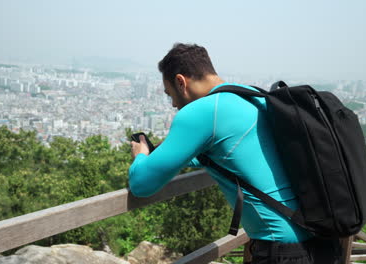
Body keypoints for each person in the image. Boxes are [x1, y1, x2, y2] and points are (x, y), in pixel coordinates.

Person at [128, 43, 341, 264]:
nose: (173, 103)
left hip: (283, 250)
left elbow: (142, 185)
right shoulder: (253, 95)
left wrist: (141, 155)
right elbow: (233, 152)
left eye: (169, 93)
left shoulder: (203, 111)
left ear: (181, 82)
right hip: (322, 238)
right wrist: (171, 155)